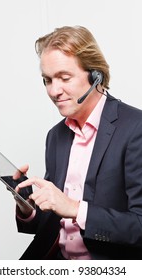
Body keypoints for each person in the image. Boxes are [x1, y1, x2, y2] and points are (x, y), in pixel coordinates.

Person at [15, 26, 142, 260]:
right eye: (47, 80)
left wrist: (75, 208)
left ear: (96, 75)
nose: (54, 91)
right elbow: (52, 222)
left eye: (64, 78)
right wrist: (28, 208)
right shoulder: (56, 136)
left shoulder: (136, 128)